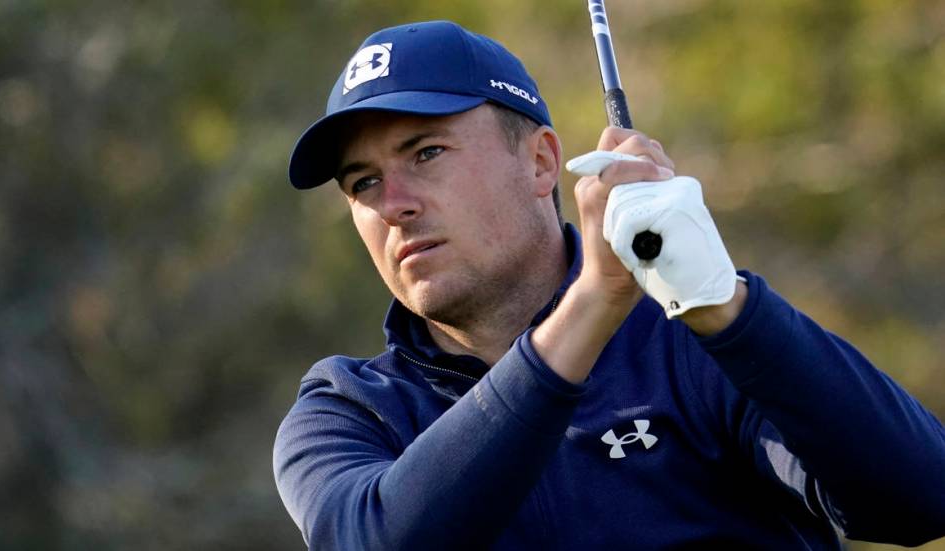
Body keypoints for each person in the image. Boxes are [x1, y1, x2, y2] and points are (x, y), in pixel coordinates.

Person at [273, 20, 945, 550]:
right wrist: (593, 301)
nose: (393, 201)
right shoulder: (350, 409)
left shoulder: (692, 341)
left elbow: (919, 498)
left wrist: (728, 307)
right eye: (362, 182)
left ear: (541, 163)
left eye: (425, 153)